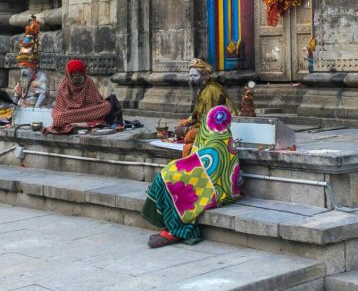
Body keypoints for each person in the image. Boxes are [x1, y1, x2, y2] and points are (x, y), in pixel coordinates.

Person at [143, 103, 242, 248]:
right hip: (215, 185)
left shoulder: (218, 141)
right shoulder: (221, 136)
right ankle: (170, 224)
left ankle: (177, 230)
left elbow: (204, 166)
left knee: (172, 181)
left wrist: (174, 170)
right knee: (168, 176)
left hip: (218, 192)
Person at [176, 58, 237, 157]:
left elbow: (207, 122)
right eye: (190, 76)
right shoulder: (202, 90)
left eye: (195, 76)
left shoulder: (210, 92)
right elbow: (196, 116)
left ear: (205, 76)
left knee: (189, 136)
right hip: (206, 126)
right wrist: (186, 123)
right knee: (182, 126)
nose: (192, 79)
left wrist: (188, 129)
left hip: (219, 129)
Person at [48, 59, 123, 132]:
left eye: (79, 73)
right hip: (70, 112)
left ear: (83, 72)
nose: (77, 76)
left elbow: (96, 101)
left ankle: (83, 121)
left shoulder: (88, 82)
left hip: (87, 110)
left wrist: (87, 110)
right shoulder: (64, 85)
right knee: (58, 118)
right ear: (69, 74)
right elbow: (60, 107)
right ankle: (84, 121)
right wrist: (72, 111)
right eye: (74, 73)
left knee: (107, 106)